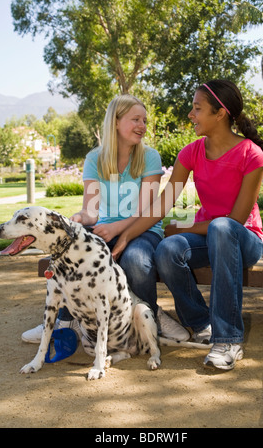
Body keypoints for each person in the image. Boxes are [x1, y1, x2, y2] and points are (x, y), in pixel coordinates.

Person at [112, 80, 263, 370]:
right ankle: (201, 322)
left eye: (197, 109)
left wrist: (183, 229)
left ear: (220, 113)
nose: (190, 114)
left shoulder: (251, 155)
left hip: (244, 240)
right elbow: (161, 205)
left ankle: (229, 339)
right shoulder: (192, 152)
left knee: (220, 229)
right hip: (211, 238)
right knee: (168, 248)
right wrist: (125, 237)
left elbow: (234, 221)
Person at [22, 94, 189, 345]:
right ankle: (66, 321)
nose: (142, 125)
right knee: (73, 254)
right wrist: (77, 219)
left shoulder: (150, 157)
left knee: (136, 260)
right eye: (135, 119)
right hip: (106, 228)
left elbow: (144, 212)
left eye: (144, 120)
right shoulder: (95, 159)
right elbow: (90, 211)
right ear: (116, 122)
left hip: (144, 229)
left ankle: (151, 315)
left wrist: (116, 230)